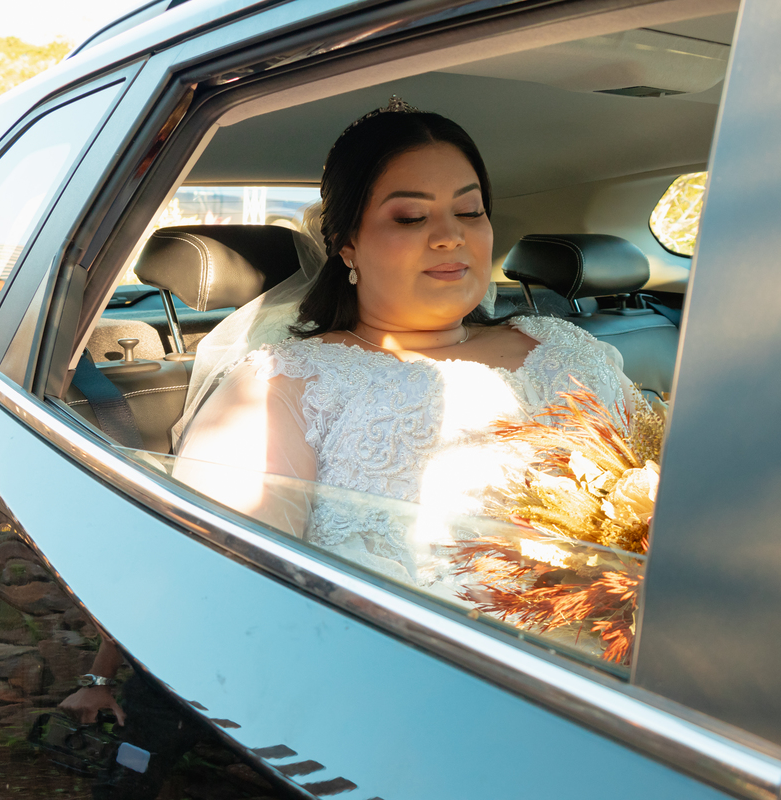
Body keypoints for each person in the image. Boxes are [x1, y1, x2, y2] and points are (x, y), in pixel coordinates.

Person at [176, 98, 645, 592]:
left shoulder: (566, 345)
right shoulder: (280, 386)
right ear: (347, 243)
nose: (449, 235)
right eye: (410, 217)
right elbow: (230, 589)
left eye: (469, 211)